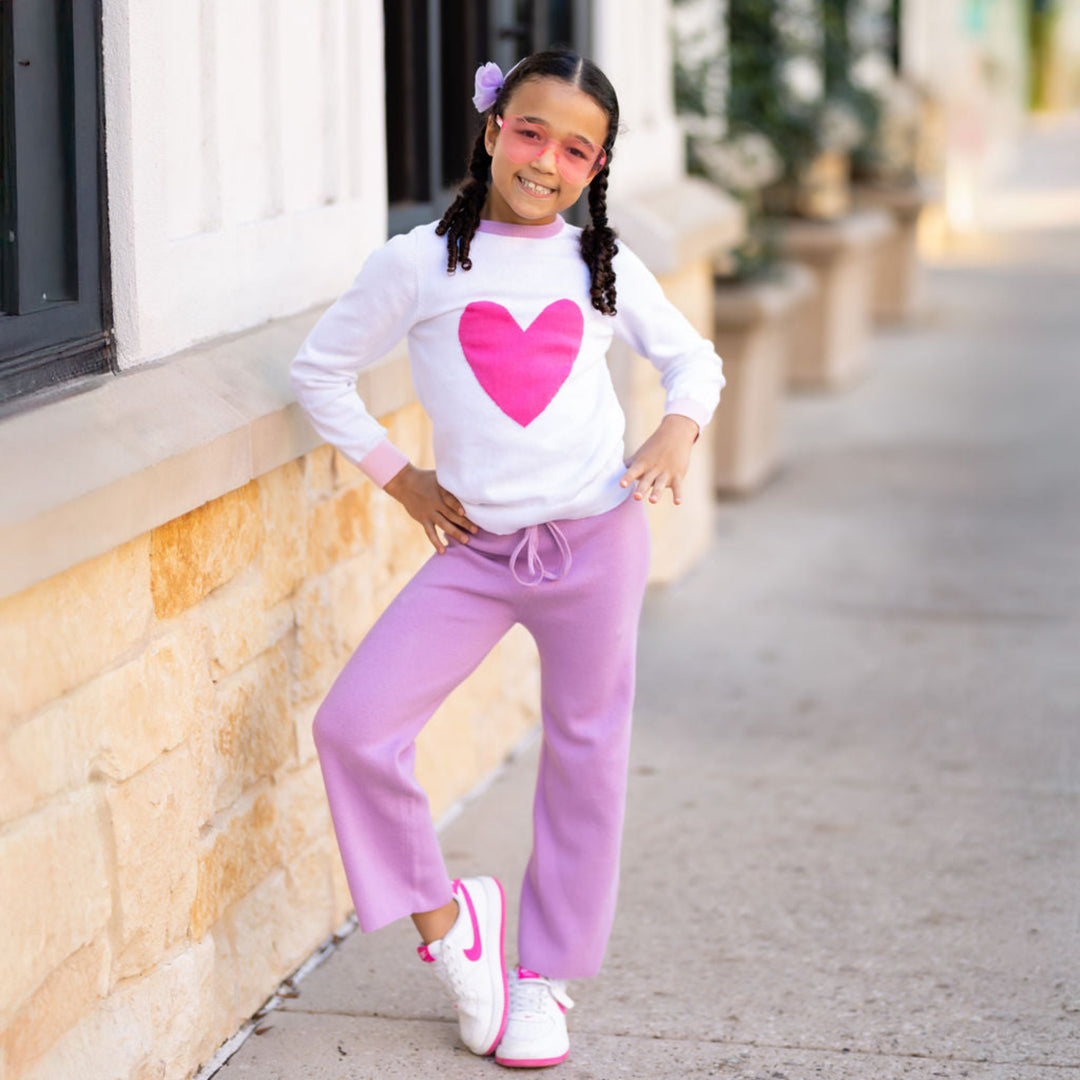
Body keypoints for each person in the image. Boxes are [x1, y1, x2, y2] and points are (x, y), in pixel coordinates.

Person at [289, 48, 724, 1069]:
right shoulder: (418, 262)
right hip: (479, 554)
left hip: (596, 539)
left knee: (585, 757)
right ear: (492, 131)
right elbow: (321, 371)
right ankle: (451, 927)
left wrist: (676, 430)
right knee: (354, 728)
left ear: (596, 167)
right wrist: (401, 477)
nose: (547, 160)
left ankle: (546, 982)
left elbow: (691, 357)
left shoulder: (598, 266)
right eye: (531, 132)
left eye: (577, 149)